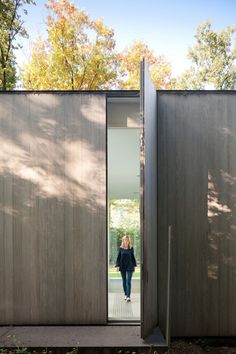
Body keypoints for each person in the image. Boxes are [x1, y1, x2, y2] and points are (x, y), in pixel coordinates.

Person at [115, 235, 137, 302]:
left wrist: (134, 266)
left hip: (130, 266)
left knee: (128, 281)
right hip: (122, 266)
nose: (126, 241)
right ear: (123, 241)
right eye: (124, 240)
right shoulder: (121, 248)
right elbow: (118, 258)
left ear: (129, 241)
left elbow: (133, 257)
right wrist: (117, 266)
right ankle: (125, 294)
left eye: (127, 240)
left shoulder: (131, 248)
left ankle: (128, 296)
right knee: (124, 281)